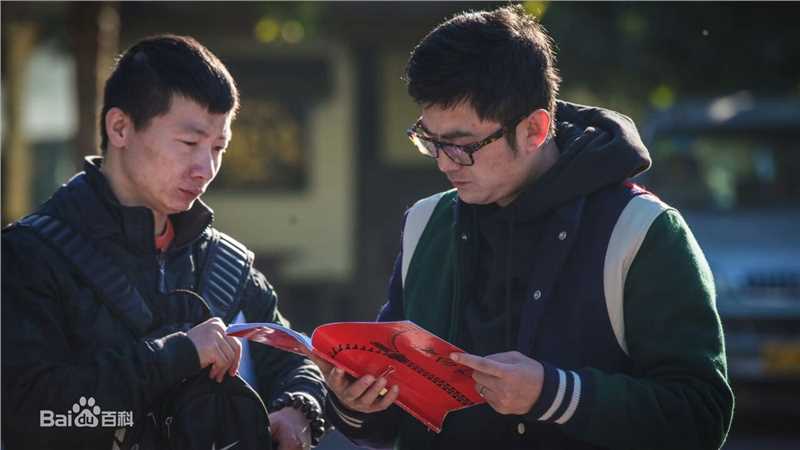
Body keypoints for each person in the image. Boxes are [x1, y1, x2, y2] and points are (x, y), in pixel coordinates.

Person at [318, 5, 734, 450]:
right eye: (429, 141)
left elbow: (701, 416)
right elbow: (390, 424)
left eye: (462, 145)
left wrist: (555, 394)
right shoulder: (425, 223)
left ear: (535, 128)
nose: (443, 162)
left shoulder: (642, 231)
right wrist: (356, 404)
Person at [2, 35, 326, 450]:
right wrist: (177, 356)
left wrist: (299, 408)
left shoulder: (225, 263)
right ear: (120, 127)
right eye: (190, 143)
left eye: (218, 147)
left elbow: (295, 359)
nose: (205, 169)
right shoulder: (31, 255)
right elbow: (37, 416)